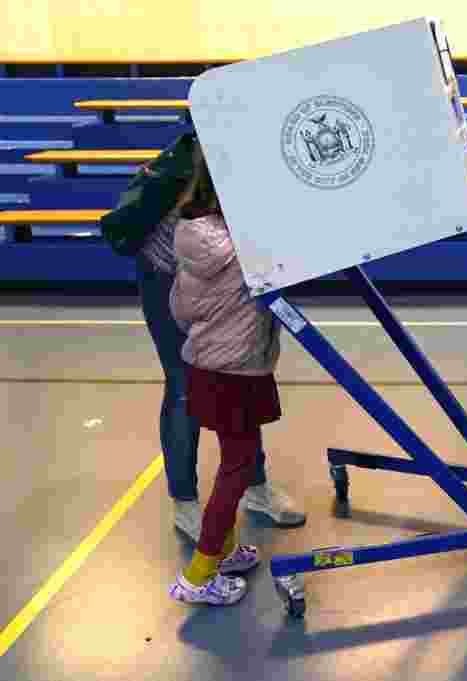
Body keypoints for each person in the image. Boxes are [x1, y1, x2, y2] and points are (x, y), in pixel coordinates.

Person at [135, 140, 304, 542]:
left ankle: (255, 487)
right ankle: (185, 504)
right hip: (170, 267)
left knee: (243, 363)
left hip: (221, 253)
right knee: (183, 380)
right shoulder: (224, 143)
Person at [166, 146, 290, 604]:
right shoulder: (246, 245)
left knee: (236, 455)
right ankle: (199, 576)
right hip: (237, 368)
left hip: (209, 363)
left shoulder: (193, 235)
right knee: (237, 467)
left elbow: (180, 309)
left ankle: (227, 550)